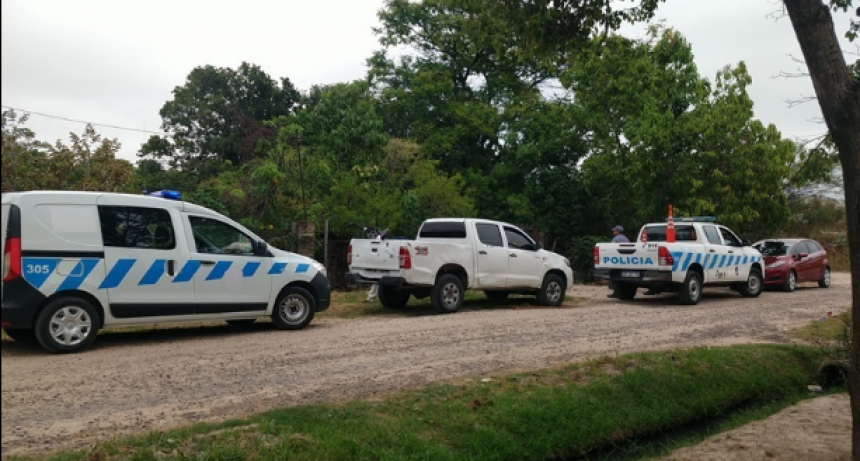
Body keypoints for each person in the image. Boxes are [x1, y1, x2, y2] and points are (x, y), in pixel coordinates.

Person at [607, 225, 630, 298]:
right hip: (625, 261)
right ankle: (622, 292)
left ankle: (616, 292)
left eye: (614, 230)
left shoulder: (616, 239)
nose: (613, 232)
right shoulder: (626, 239)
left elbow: (612, 249)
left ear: (618, 231)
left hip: (616, 260)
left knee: (613, 274)